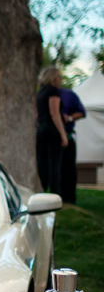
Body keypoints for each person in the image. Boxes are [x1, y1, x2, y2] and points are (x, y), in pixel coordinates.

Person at [36, 66, 68, 195]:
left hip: (41, 130)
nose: (61, 79)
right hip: (52, 131)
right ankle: (55, 195)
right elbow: (55, 114)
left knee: (42, 164)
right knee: (54, 165)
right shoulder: (53, 91)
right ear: (54, 78)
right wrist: (63, 135)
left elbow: (37, 114)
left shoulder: (41, 92)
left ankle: (42, 192)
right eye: (59, 76)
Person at [59, 87, 86, 203]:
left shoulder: (69, 95)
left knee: (69, 168)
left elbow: (82, 112)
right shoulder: (44, 93)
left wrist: (69, 118)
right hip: (50, 138)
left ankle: (69, 198)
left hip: (68, 136)